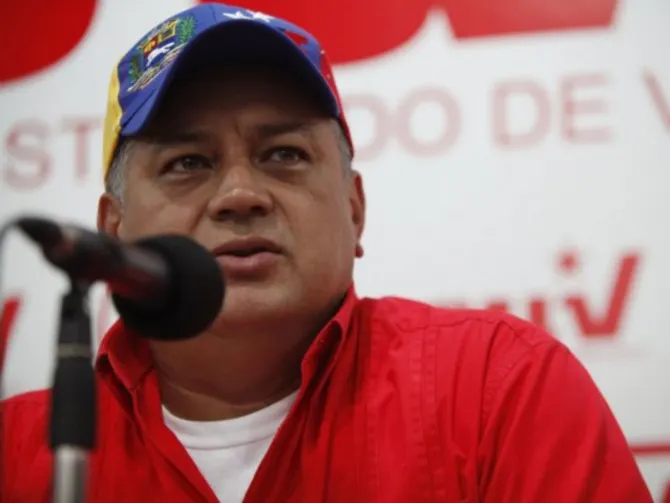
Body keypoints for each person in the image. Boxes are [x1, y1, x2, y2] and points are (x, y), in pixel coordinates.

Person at [0, 3, 654, 502]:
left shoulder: (498, 390)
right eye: (188, 162)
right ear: (113, 229)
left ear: (354, 208)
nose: (241, 195)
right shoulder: (15, 455)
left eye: (283, 154)